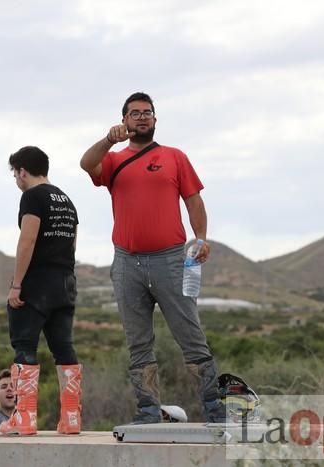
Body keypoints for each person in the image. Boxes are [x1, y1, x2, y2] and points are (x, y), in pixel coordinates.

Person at [80, 92, 226, 424]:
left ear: (155, 120)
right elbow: (87, 164)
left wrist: (200, 237)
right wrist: (107, 140)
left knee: (191, 334)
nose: (142, 117)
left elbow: (194, 200)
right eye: (135, 113)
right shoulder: (115, 160)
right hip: (126, 263)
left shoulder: (175, 157)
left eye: (147, 112)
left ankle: (215, 410)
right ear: (124, 120)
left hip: (171, 260)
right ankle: (148, 412)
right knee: (138, 341)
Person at [0, 146, 82, 436]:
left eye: (15, 173)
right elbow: (71, 245)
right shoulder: (67, 200)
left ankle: (24, 419)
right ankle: (71, 419)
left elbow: (28, 240)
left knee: (24, 346)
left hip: (37, 284)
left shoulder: (32, 197)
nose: (16, 179)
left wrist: (17, 285)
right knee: (63, 346)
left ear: (23, 171)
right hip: (65, 282)